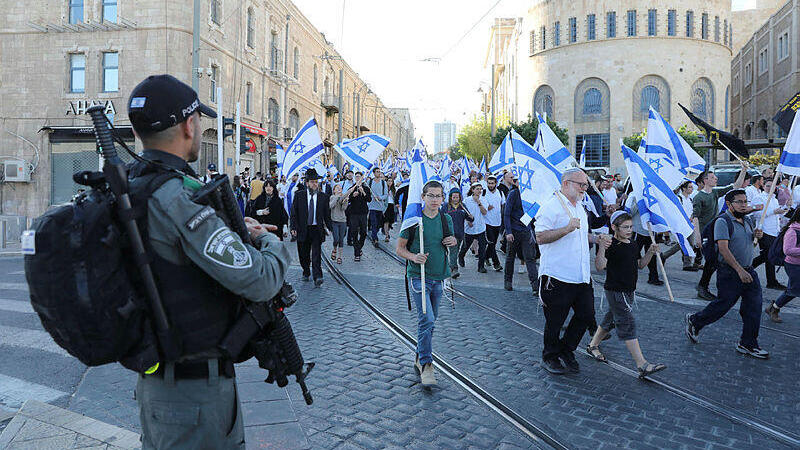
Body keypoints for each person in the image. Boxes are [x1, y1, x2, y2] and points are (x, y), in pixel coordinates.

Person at [125, 74, 290, 449]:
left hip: (161, 388)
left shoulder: (135, 185)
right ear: (188, 125)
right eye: (199, 120)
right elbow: (262, 279)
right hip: (193, 401)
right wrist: (267, 240)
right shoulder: (176, 199)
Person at [686, 189, 769, 359]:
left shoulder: (747, 221)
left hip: (748, 271)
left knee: (754, 307)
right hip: (731, 272)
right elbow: (723, 249)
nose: (744, 205)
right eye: (740, 202)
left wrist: (756, 236)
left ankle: (748, 343)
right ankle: (695, 321)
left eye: (745, 201)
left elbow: (747, 244)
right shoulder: (723, 221)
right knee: (723, 305)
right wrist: (739, 270)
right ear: (729, 204)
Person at [536, 168, 602, 375]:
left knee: (586, 314)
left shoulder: (579, 207)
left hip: (581, 274)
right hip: (557, 275)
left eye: (586, 185)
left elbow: (580, 236)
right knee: (555, 320)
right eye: (581, 185)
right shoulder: (551, 205)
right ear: (566, 184)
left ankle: (566, 349)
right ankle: (550, 356)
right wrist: (565, 228)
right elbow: (539, 237)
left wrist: (596, 238)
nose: (584, 189)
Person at [587, 211, 666, 378]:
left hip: (629, 290)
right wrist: (601, 247)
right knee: (627, 323)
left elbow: (640, 265)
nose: (629, 230)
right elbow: (600, 267)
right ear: (614, 227)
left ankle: (593, 345)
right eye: (625, 227)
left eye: (631, 227)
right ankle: (642, 365)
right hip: (615, 291)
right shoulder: (610, 244)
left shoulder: (633, 243)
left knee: (610, 320)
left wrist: (650, 253)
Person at [396, 180, 456, 387]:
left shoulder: (446, 218)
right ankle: (427, 365)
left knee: (430, 323)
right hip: (418, 276)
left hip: (439, 276)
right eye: (431, 196)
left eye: (438, 196)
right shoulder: (414, 220)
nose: (435, 200)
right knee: (427, 320)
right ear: (423, 196)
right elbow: (400, 249)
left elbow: (451, 240)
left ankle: (419, 354)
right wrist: (413, 257)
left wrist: (453, 241)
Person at [693, 163, 747, 300]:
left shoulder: (715, 192)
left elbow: (735, 186)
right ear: (705, 180)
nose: (716, 179)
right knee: (711, 261)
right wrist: (697, 236)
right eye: (712, 177)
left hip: (713, 231)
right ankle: (702, 287)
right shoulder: (699, 197)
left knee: (715, 261)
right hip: (705, 233)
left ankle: (706, 286)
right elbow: (695, 217)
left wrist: (744, 169)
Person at [290, 168, 333, 287]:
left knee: (316, 254)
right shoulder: (299, 195)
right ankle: (306, 270)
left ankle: (318, 276)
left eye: (316, 182)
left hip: (316, 229)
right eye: (313, 182)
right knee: (303, 254)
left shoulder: (323, 197)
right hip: (302, 228)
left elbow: (326, 214)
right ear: (307, 183)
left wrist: (330, 228)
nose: (315, 184)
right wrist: (293, 227)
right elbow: (294, 213)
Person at [503, 174, 539, 293]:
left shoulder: (531, 195)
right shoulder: (513, 193)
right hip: (513, 231)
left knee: (530, 258)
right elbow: (506, 213)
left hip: (526, 231)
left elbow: (534, 213)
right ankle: (508, 281)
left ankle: (535, 286)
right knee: (510, 257)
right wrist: (508, 232)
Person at [751, 179, 788, 289]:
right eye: (767, 186)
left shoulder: (774, 199)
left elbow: (777, 215)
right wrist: (773, 212)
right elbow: (756, 214)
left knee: (766, 256)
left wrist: (783, 210)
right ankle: (771, 281)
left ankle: (746, 270)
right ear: (763, 186)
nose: (770, 188)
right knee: (768, 256)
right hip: (764, 231)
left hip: (773, 231)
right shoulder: (759, 198)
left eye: (772, 186)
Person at [766, 207, 800, 323]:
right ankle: (774, 308)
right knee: (794, 290)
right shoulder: (793, 230)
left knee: (794, 289)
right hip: (794, 265)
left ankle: (773, 307)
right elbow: (788, 250)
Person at [442, 188, 473, 279]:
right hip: (449, 233)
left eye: (457, 197)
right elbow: (441, 218)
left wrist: (471, 217)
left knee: (455, 251)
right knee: (453, 251)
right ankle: (454, 269)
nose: (455, 199)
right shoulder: (446, 206)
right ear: (450, 197)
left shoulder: (462, 206)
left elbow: (469, 218)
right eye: (453, 197)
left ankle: (450, 266)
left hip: (459, 233)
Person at [459, 183, 488, 273]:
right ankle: (461, 256)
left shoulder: (483, 200)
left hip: (480, 228)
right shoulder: (467, 200)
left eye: (480, 189)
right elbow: (463, 212)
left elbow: (484, 212)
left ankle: (481, 266)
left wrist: (479, 203)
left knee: (482, 248)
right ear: (472, 190)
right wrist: (468, 221)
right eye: (477, 189)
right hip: (470, 228)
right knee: (466, 246)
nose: (479, 191)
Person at [345, 171, 371, 261]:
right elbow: (348, 200)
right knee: (354, 232)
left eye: (359, 176)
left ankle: (359, 247)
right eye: (356, 177)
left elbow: (369, 199)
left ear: (362, 178)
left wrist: (363, 192)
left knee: (363, 232)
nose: (357, 178)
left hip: (363, 213)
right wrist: (353, 196)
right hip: (353, 213)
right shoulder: (352, 188)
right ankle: (357, 253)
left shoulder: (366, 188)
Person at [483, 175, 505, 271]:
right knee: (491, 242)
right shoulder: (483, 193)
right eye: (489, 183)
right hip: (487, 222)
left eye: (492, 183)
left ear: (495, 183)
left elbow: (503, 204)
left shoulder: (500, 192)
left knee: (493, 243)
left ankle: (485, 257)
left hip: (497, 222)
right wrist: (485, 207)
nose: (490, 185)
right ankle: (496, 264)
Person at [677, 180, 700, 271]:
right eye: (689, 187)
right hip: (682, 225)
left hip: (690, 225)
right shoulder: (679, 198)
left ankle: (687, 264)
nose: (691, 189)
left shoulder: (690, 199)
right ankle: (665, 255)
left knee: (689, 244)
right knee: (683, 244)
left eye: (691, 187)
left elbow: (691, 211)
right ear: (684, 188)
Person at [368, 167, 389, 247]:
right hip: (372, 206)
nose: (379, 173)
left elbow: (386, 195)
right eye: (377, 172)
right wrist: (371, 198)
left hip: (380, 207)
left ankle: (375, 234)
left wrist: (380, 197)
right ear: (374, 173)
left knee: (378, 224)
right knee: (373, 222)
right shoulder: (369, 182)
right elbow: (367, 193)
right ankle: (375, 238)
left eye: (379, 172)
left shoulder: (383, 183)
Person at [329, 183, 348, 264]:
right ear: (334, 190)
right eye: (337, 188)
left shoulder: (342, 197)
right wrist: (337, 196)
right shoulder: (332, 197)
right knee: (336, 239)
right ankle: (334, 249)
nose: (339, 189)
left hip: (343, 221)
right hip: (334, 221)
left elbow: (343, 208)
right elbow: (331, 206)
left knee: (341, 239)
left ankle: (339, 256)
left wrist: (345, 201)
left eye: (340, 188)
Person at [383, 176, 397, 241]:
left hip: (392, 205)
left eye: (391, 181)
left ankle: (387, 232)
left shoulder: (393, 189)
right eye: (388, 181)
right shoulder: (384, 188)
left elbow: (395, 198)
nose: (390, 182)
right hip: (386, 205)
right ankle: (386, 235)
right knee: (386, 221)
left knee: (390, 221)